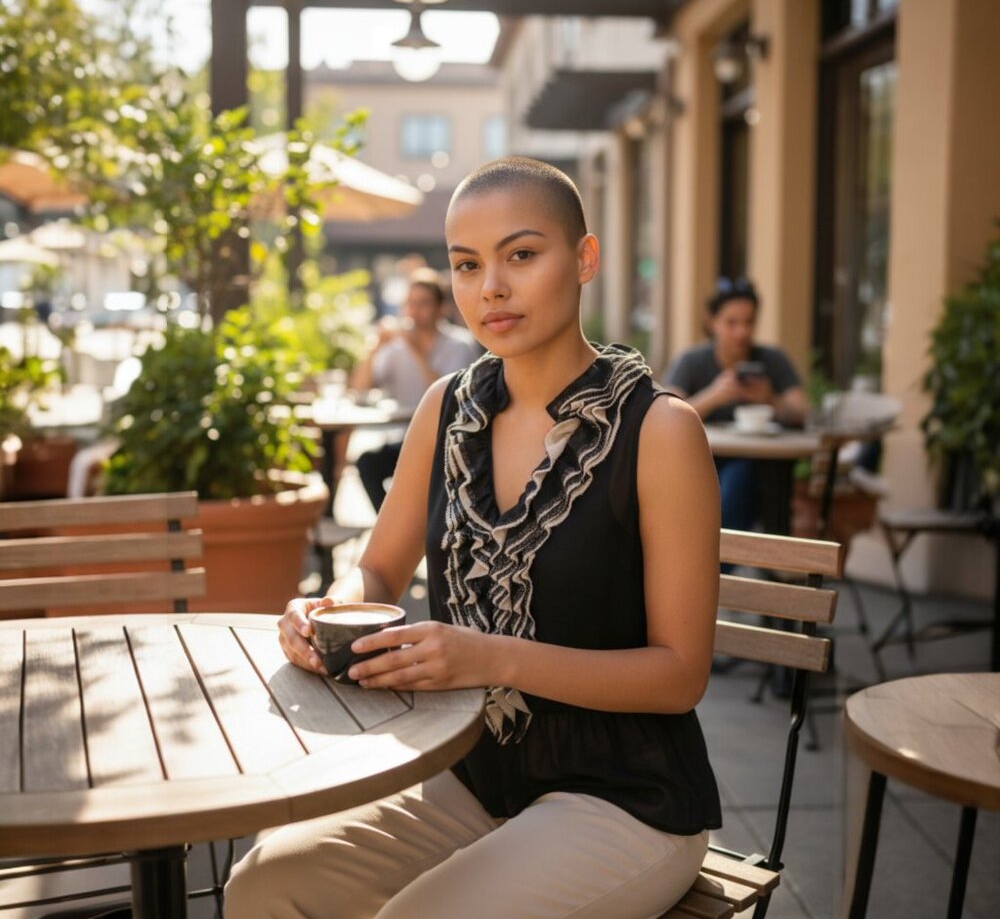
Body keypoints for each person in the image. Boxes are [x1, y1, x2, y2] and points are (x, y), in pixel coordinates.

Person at [225, 157, 722, 919]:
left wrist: (489, 657)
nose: (490, 286)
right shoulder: (445, 408)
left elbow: (680, 675)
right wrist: (328, 610)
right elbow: (379, 569)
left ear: (584, 259)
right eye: (467, 264)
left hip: (624, 796)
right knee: (263, 883)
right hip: (467, 773)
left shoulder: (659, 430)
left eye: (521, 255)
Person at [661, 277, 808, 533]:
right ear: (712, 322)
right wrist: (714, 395)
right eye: (731, 323)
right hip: (703, 466)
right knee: (737, 479)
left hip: (766, 467)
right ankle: (744, 563)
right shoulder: (693, 361)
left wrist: (770, 400)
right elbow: (664, 415)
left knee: (751, 476)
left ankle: (749, 562)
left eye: (749, 322)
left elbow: (802, 412)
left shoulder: (773, 360)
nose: (742, 332)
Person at [352, 268, 480, 511]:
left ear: (440, 307)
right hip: (404, 439)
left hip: (447, 442)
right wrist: (373, 350)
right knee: (368, 464)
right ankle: (390, 527)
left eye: (423, 303)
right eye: (410, 303)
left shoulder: (460, 344)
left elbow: (450, 397)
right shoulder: (395, 347)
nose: (414, 311)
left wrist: (417, 351)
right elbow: (360, 390)